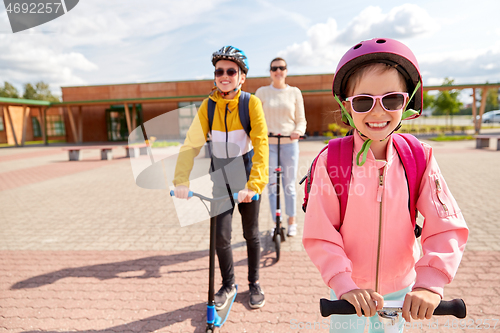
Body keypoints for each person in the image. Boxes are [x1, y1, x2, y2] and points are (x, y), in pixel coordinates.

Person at [302, 38, 468, 332]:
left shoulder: (419, 157)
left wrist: (430, 283)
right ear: (346, 106)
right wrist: (343, 283)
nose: (378, 112)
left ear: (407, 102)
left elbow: (446, 225)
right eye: (363, 101)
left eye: (391, 100)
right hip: (348, 293)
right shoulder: (332, 161)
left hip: (400, 292)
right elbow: (321, 233)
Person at [173, 46, 269, 309]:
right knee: (221, 237)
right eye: (219, 71)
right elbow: (191, 144)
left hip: (247, 174)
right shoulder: (209, 106)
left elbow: (261, 144)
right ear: (214, 76)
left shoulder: (251, 103)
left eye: (231, 71)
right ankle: (228, 284)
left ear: (242, 77)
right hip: (220, 176)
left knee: (251, 233)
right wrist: (181, 180)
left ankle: (255, 283)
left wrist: (255, 185)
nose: (224, 75)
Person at [255, 57, 306, 237]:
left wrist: (298, 131)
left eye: (282, 67)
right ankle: (277, 222)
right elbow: (255, 117)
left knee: (289, 185)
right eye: (274, 68)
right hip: (268, 144)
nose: (278, 71)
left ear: (286, 70)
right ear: (270, 71)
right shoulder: (261, 92)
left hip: (289, 143)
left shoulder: (294, 92)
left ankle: (292, 220)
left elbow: (301, 119)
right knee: (272, 185)